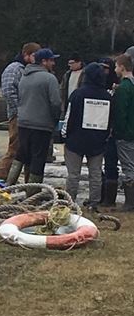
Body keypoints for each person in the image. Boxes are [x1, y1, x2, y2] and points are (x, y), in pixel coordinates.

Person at [61, 62, 111, 209]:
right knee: (95, 175)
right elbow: (110, 121)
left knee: (73, 175)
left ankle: (70, 203)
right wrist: (105, 137)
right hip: (97, 141)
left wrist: (64, 135)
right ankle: (94, 202)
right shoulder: (107, 96)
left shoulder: (78, 94)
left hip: (75, 140)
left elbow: (69, 117)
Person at [16, 47, 62, 190]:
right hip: (41, 126)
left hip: (23, 123)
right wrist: (55, 120)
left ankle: (9, 185)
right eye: (51, 60)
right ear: (44, 61)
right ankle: (33, 193)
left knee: (22, 156)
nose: (53, 63)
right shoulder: (50, 78)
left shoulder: (24, 76)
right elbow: (56, 103)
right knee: (38, 159)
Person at [0, 42, 40, 183]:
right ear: (26, 54)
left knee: (26, 150)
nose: (36, 58)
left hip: (27, 116)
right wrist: (19, 111)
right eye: (34, 55)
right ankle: (0, 178)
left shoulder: (27, 70)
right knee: (14, 148)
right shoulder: (14, 68)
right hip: (18, 116)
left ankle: (25, 182)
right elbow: (8, 91)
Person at [111, 54, 134, 211]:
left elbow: (120, 113)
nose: (115, 69)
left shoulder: (124, 88)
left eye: (116, 66)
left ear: (122, 67)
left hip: (125, 134)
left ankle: (130, 203)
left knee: (128, 167)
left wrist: (117, 132)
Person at [99, 57, 121, 206]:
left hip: (112, 131)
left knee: (111, 163)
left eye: (106, 68)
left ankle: (109, 198)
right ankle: (99, 194)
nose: (103, 71)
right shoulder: (97, 85)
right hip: (98, 129)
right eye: (101, 68)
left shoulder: (117, 87)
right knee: (95, 165)